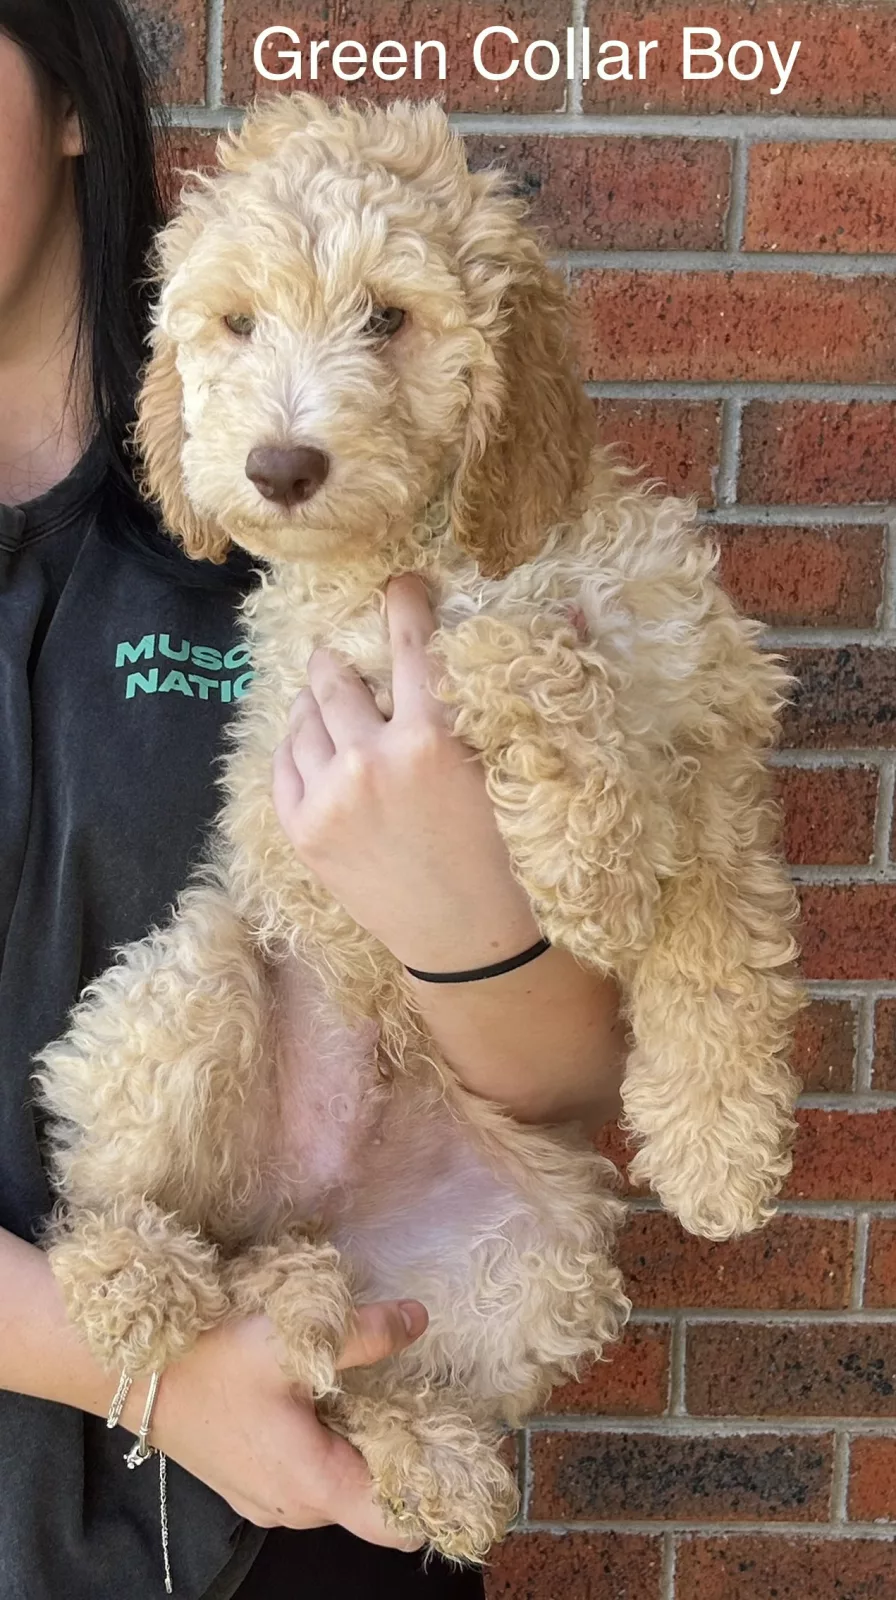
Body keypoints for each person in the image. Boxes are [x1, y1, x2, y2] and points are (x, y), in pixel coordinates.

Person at [0, 3, 626, 1598]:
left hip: (315, 1496)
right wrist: (139, 1371)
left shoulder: (335, 497)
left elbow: (567, 1091)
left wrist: (454, 910)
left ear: (67, 93)